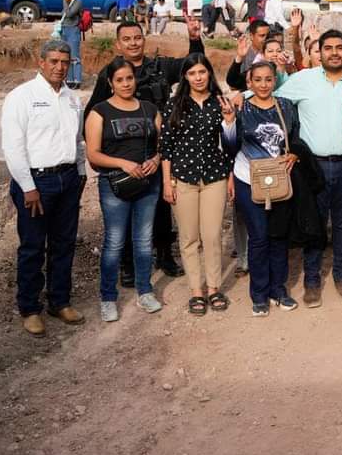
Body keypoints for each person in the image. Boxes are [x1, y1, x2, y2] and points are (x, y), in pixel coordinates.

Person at [85, 18, 205, 281]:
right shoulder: (111, 73)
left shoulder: (160, 67)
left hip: (158, 149)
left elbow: (194, 64)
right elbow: (92, 112)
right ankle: (127, 264)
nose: (133, 43)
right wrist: (98, 155)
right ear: (118, 44)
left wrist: (194, 37)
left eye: (137, 37)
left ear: (144, 39)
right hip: (124, 153)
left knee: (162, 205)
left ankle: (164, 256)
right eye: (126, 39)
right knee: (125, 209)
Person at [1, 40, 87, 336]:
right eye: (53, 61)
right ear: (41, 62)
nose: (59, 67)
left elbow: (77, 141)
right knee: (33, 247)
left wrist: (80, 172)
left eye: (65, 62)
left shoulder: (73, 99)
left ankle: (59, 301)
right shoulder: (21, 97)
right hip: (36, 183)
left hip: (67, 180)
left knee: (64, 244)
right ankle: (29, 308)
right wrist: (27, 186)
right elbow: (13, 147)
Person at [276, 29, 342, 306]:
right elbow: (268, 95)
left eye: (340, 47)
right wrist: (240, 96)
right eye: (328, 48)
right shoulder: (302, 80)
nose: (334, 52)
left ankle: (341, 277)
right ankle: (312, 281)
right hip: (312, 166)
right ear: (321, 52)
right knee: (312, 225)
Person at [222, 61, 314, 316]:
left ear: (275, 81)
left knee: (279, 236)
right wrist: (229, 123)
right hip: (248, 180)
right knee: (259, 236)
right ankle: (259, 294)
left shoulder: (285, 106)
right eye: (258, 79)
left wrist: (294, 154)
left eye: (268, 79)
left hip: (280, 180)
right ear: (249, 83)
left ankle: (279, 289)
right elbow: (230, 148)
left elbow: (295, 138)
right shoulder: (241, 108)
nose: (263, 84)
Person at [84, 56, 163, 322]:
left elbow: (162, 147)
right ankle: (108, 297)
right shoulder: (99, 112)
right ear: (111, 83)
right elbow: (93, 155)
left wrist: (155, 160)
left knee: (143, 241)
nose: (126, 83)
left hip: (148, 184)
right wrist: (122, 164)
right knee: (115, 242)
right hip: (114, 185)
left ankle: (145, 291)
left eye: (129, 78)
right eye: (120, 80)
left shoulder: (150, 109)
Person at [159, 54, 234, 316]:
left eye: (202, 72)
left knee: (212, 235)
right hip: (183, 179)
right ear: (185, 77)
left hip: (215, 176)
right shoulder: (174, 105)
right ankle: (196, 291)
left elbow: (230, 145)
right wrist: (167, 182)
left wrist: (229, 120)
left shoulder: (220, 102)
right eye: (192, 73)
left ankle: (214, 288)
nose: (198, 78)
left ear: (209, 74)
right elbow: (165, 147)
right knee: (189, 238)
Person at [58, 0, 84, 89]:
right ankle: (69, 80)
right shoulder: (66, 1)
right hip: (64, 30)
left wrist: (65, 1)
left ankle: (77, 80)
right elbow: (63, 14)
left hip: (73, 30)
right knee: (66, 56)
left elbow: (69, 14)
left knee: (75, 57)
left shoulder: (78, 2)